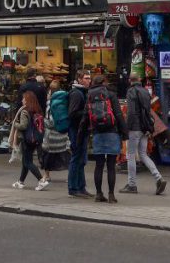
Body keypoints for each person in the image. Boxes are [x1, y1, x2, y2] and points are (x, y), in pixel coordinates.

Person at [121, 75, 166, 195]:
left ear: (130, 81)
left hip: (134, 127)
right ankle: (159, 178)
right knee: (143, 154)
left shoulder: (131, 91)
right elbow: (147, 110)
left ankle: (132, 185)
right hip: (145, 127)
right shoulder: (145, 91)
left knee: (130, 155)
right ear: (139, 80)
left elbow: (131, 112)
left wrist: (127, 128)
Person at [86, 74, 126, 203]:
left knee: (98, 165)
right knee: (110, 166)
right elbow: (118, 114)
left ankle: (98, 194)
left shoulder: (90, 95)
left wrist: (83, 132)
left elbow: (86, 116)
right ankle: (111, 195)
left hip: (97, 132)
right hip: (112, 132)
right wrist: (124, 133)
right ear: (104, 82)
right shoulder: (111, 94)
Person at [11, 90, 49, 190]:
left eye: (24, 98)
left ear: (27, 100)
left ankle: (41, 180)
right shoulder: (37, 109)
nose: (22, 100)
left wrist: (15, 124)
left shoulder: (25, 111)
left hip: (27, 139)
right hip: (35, 139)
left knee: (28, 162)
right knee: (26, 161)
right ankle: (20, 182)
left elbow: (23, 126)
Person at [39, 80, 71, 185]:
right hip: (62, 132)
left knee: (47, 154)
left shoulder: (50, 103)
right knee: (66, 154)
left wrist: (44, 123)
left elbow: (49, 119)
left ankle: (46, 175)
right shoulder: (65, 100)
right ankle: (71, 174)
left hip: (51, 133)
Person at [67, 69, 92, 198]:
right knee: (76, 159)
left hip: (81, 130)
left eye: (89, 78)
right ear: (80, 79)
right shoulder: (76, 94)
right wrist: (88, 112)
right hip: (76, 131)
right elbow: (72, 113)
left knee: (81, 160)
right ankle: (73, 188)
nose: (89, 80)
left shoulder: (82, 92)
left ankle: (81, 187)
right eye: (86, 78)